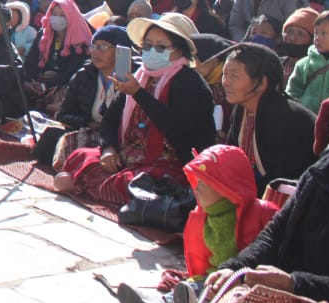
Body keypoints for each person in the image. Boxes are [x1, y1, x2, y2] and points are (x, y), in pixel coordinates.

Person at [198, 93, 329, 303]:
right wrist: (235, 268)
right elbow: (276, 233)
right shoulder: (323, 172)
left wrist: (294, 283)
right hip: (301, 296)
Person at [55, 13, 216, 207]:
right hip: (128, 155)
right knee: (81, 155)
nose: (152, 51)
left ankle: (89, 184)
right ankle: (90, 181)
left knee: (135, 183)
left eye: (161, 47)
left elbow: (175, 127)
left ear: (178, 51)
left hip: (168, 162)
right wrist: (108, 149)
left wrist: (138, 93)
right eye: (147, 46)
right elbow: (110, 120)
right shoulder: (141, 76)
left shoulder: (190, 83)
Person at [116, 144, 279, 303]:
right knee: (196, 287)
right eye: (197, 181)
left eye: (204, 182)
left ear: (225, 187)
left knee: (201, 291)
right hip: (211, 278)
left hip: (244, 285)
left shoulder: (263, 215)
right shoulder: (201, 216)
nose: (197, 188)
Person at [222, 43, 317, 195]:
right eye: (224, 75)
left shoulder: (284, 117)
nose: (225, 82)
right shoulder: (241, 108)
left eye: (234, 76)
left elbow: (283, 178)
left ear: (261, 83)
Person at [54, 24, 132, 170]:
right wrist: (87, 122)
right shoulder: (84, 75)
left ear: (121, 52)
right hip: (90, 131)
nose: (95, 52)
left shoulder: (133, 78)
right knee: (60, 139)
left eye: (103, 47)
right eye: (94, 46)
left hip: (120, 138)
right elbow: (64, 114)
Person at [23, 0, 91, 112]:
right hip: (39, 83)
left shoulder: (80, 41)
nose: (57, 18)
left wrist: (52, 80)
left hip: (64, 85)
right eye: (54, 14)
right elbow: (31, 61)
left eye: (62, 15)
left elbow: (75, 70)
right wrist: (30, 81)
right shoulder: (43, 35)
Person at [287, 10, 329, 114]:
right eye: (316, 33)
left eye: (324, 33)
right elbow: (293, 92)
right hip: (306, 121)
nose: (317, 38)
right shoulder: (304, 64)